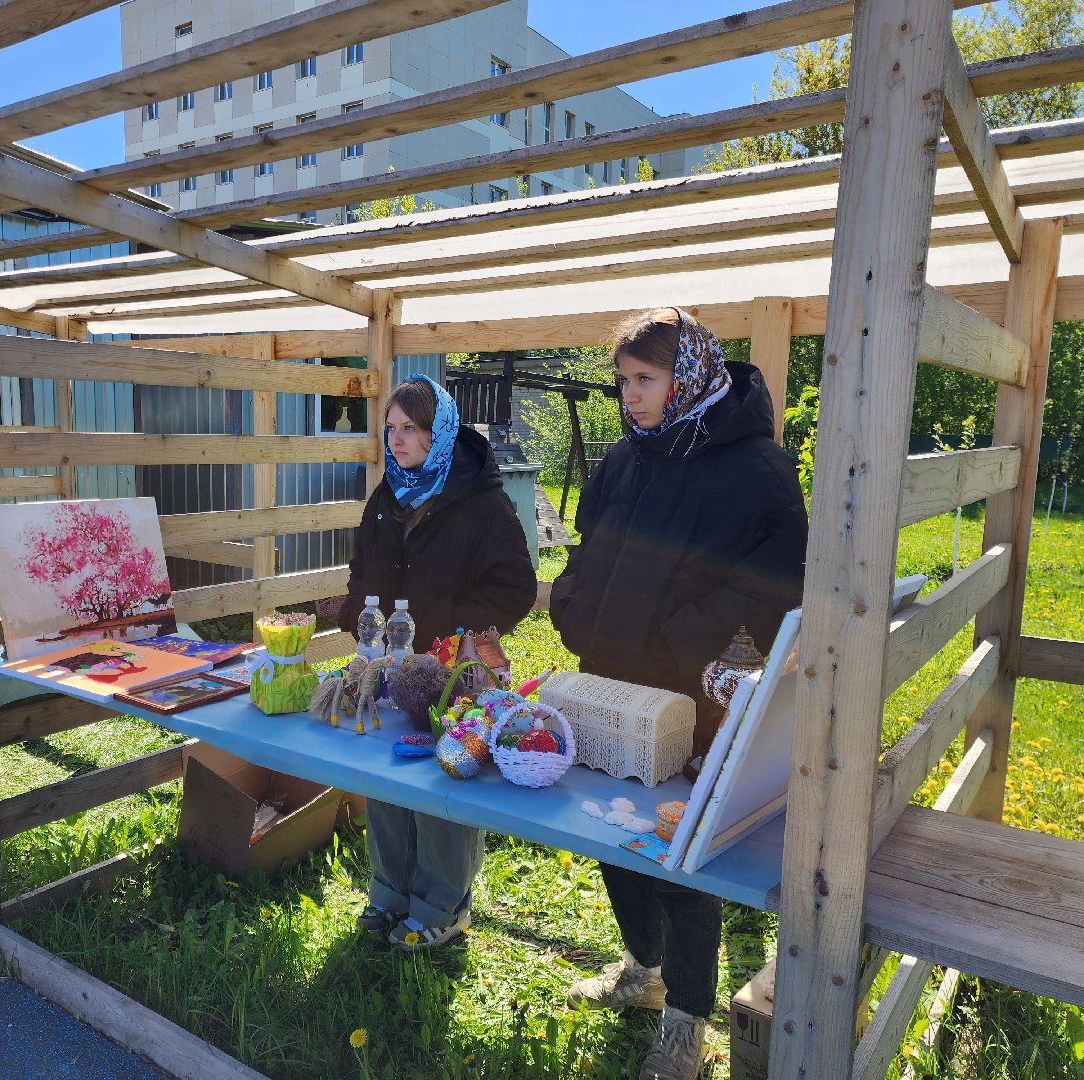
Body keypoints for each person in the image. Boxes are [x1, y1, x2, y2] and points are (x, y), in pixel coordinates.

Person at [550, 308, 807, 1080]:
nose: (630, 396)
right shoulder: (630, 457)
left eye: (645, 380)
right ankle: (643, 969)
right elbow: (587, 546)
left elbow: (775, 587)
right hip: (609, 680)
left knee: (678, 851)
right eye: (624, 380)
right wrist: (572, 603)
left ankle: (687, 1022)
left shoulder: (757, 467)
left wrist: (677, 637)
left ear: (686, 375)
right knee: (613, 835)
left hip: (693, 696)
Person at [339, 374, 537, 951]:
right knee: (385, 773)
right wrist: (360, 617)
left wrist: (451, 627)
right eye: (391, 429)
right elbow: (363, 572)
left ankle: (441, 907)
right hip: (387, 662)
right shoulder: (388, 496)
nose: (396, 442)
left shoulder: (481, 501)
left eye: (411, 430)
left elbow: (515, 588)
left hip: (455, 669)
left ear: (440, 431)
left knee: (444, 779)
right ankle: (389, 894)